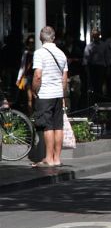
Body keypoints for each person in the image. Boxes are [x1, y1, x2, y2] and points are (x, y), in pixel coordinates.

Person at [31, 26, 68, 168]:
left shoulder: (39, 53)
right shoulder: (61, 54)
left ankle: (48, 158)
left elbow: (37, 75)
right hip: (58, 95)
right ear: (54, 38)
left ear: (41, 38)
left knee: (47, 126)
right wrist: (62, 93)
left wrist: (34, 90)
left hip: (45, 94)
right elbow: (64, 79)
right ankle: (57, 158)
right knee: (58, 126)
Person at [83, 29, 107, 101]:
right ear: (92, 36)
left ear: (99, 35)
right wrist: (86, 69)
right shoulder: (89, 46)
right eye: (94, 35)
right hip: (93, 67)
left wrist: (107, 67)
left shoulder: (103, 45)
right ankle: (93, 101)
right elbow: (85, 59)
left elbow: (107, 56)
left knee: (100, 84)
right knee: (93, 85)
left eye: (97, 35)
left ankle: (100, 100)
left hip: (101, 67)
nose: (95, 36)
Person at [16, 35, 35, 114]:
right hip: (28, 76)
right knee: (29, 97)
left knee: (35, 96)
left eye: (33, 42)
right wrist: (18, 78)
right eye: (30, 42)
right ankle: (31, 114)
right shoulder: (26, 53)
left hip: (36, 76)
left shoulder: (38, 53)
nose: (31, 44)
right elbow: (22, 66)